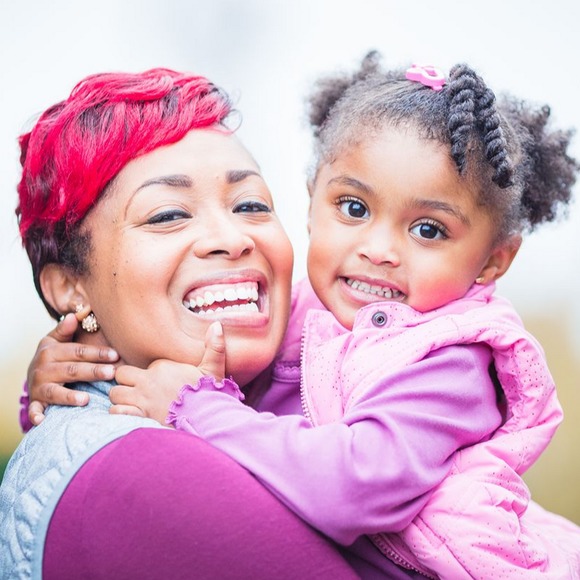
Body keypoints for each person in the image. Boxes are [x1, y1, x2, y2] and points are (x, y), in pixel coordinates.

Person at [20, 54, 580, 577]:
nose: (378, 250)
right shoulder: (310, 321)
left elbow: (354, 486)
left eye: (428, 230)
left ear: (494, 261)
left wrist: (197, 406)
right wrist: (66, 382)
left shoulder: (448, 361)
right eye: (354, 208)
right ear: (312, 203)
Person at [0, 68, 361, 579]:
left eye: (251, 205)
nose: (231, 238)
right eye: (168, 215)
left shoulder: (351, 349)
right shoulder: (141, 470)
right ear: (70, 287)